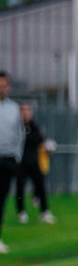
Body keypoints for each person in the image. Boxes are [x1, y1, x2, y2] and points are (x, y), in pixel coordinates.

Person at [15, 102, 53, 224]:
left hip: (34, 162)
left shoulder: (35, 127)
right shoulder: (16, 128)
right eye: (23, 110)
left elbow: (41, 142)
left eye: (27, 110)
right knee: (20, 188)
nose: (25, 113)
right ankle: (21, 212)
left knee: (40, 187)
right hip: (20, 162)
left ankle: (45, 212)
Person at [0, 72, 19, 255]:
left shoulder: (13, 109)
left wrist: (17, 157)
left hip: (7, 160)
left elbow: (19, 134)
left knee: (1, 200)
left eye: (4, 85)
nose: (2, 88)